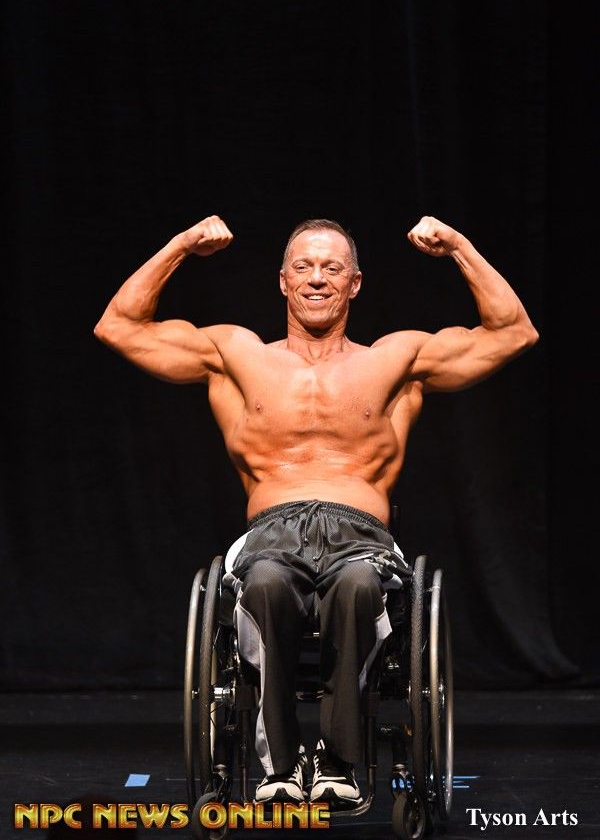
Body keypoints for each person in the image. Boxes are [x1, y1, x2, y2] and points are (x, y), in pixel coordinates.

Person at [94, 214, 538, 807]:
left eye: (332, 268)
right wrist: (181, 245)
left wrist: (459, 246)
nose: (317, 278)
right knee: (264, 585)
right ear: (283, 281)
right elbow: (119, 327)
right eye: (303, 267)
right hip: (269, 535)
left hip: (362, 537)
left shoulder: (396, 358)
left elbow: (513, 333)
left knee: (358, 587)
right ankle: (278, 766)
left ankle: (339, 763)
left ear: (355, 283)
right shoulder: (235, 354)